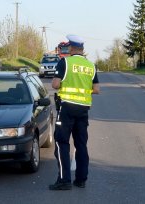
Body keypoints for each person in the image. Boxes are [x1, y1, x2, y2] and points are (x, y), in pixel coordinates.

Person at [49, 35, 100, 190]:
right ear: (82, 49)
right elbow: (97, 90)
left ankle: (64, 181)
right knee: (81, 144)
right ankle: (81, 180)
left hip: (67, 109)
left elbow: (56, 85)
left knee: (61, 143)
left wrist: (62, 83)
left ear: (71, 48)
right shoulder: (91, 66)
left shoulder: (65, 62)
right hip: (83, 110)